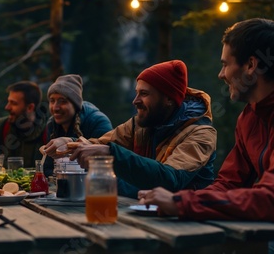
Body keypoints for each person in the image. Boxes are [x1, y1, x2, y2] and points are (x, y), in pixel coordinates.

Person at [139, 18, 274, 223]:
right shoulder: (249, 119)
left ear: (250, 65)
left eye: (225, 64)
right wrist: (179, 200)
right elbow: (229, 183)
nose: (221, 74)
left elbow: (272, 199)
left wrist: (182, 203)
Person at [45, 61, 217, 198]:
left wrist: (110, 154)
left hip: (189, 223)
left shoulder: (201, 134)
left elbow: (170, 179)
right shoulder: (140, 124)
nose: (135, 101)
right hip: (147, 213)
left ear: (169, 99)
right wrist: (69, 142)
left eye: (144, 94)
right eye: (136, 93)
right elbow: (97, 144)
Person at [43, 74, 113, 176]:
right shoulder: (52, 124)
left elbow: (105, 165)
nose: (55, 107)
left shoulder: (98, 122)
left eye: (62, 101)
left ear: (75, 105)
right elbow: (47, 167)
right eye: (52, 101)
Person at [0, 81, 49, 168]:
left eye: (13, 103)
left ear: (30, 107)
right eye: (8, 102)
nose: (7, 107)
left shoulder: (49, 132)